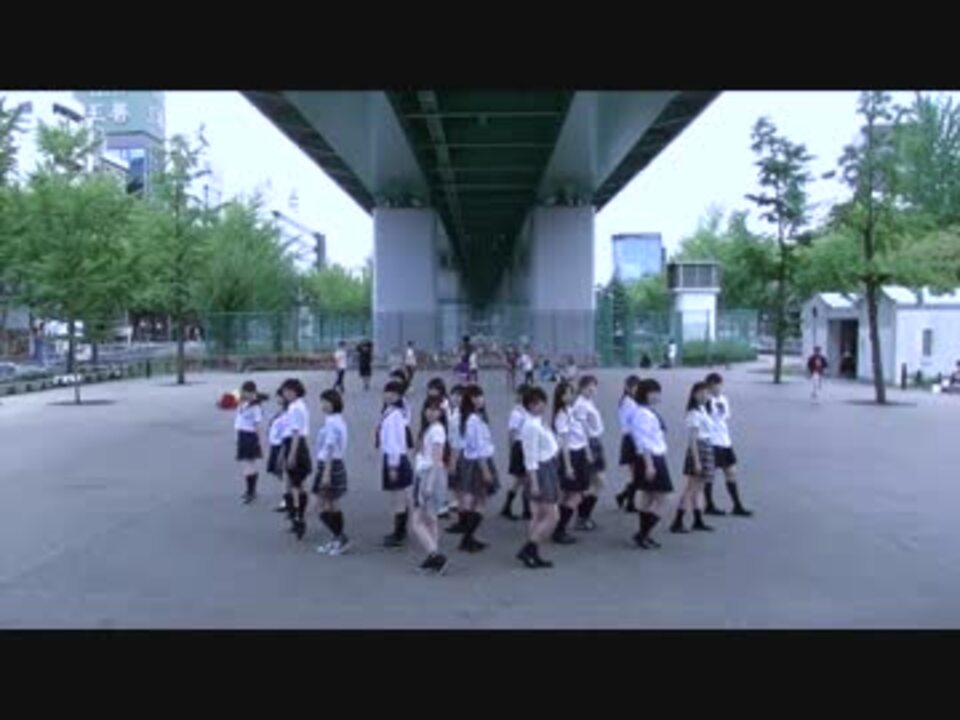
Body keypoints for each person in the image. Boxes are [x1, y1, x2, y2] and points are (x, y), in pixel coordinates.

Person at [516, 386, 561, 569]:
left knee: (540, 514)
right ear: (530, 405)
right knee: (552, 516)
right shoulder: (531, 426)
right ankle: (529, 548)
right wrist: (534, 482)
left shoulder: (538, 422)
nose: (542, 405)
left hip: (548, 466)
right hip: (541, 470)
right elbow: (530, 456)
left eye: (542, 401)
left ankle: (533, 552)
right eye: (537, 403)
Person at [629, 379, 673, 549]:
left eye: (657, 392)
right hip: (651, 458)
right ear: (644, 394)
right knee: (664, 498)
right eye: (652, 393)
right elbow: (643, 441)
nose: (656, 396)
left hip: (654, 456)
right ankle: (642, 534)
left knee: (648, 496)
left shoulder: (648, 412)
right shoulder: (642, 414)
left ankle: (644, 534)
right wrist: (649, 465)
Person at [411, 396, 451, 574]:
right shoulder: (431, 429)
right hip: (427, 474)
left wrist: (428, 485)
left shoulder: (437, 431)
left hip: (429, 476)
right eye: (428, 408)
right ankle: (433, 555)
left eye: (435, 409)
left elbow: (436, 459)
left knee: (417, 521)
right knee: (431, 517)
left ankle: (435, 554)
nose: (431, 412)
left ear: (441, 412)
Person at [705, 372, 753, 517]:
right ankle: (709, 505)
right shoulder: (706, 401)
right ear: (710, 386)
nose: (719, 388)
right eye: (716, 385)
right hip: (712, 441)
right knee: (710, 475)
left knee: (731, 471)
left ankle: (737, 505)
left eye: (720, 385)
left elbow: (725, 416)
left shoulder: (723, 399)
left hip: (725, 440)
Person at [458, 385, 499, 553]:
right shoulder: (474, 419)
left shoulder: (474, 417)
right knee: (480, 500)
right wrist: (485, 470)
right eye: (474, 397)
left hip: (475, 460)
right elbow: (478, 446)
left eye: (480, 396)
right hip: (479, 462)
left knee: (475, 498)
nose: (479, 400)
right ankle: (467, 538)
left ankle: (468, 537)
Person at [671, 381, 716, 534]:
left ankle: (698, 520)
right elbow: (692, 439)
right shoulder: (694, 413)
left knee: (700, 487)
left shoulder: (703, 409)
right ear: (694, 394)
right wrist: (696, 461)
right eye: (701, 393)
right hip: (699, 449)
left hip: (706, 446)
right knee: (691, 487)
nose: (704, 396)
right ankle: (677, 521)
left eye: (707, 393)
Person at [551, 380, 590, 545]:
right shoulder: (561, 415)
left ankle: (558, 526)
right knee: (574, 495)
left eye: (572, 392)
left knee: (571, 493)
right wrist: (567, 466)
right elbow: (564, 443)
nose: (572, 396)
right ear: (561, 397)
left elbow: (581, 434)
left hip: (578, 453)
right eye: (568, 393)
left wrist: (586, 452)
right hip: (571, 456)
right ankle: (559, 528)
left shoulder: (570, 411)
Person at [313, 389, 351, 555]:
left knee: (322, 505)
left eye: (326, 402)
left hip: (330, 465)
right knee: (331, 504)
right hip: (332, 463)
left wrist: (326, 473)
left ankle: (340, 537)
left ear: (335, 403)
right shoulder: (335, 420)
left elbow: (330, 448)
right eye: (322, 402)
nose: (323, 405)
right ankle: (337, 539)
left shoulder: (332, 422)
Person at [379, 380, 414, 548]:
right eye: (387, 392)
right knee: (400, 497)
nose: (388, 395)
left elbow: (394, 442)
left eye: (393, 393)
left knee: (398, 498)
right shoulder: (394, 412)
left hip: (395, 458)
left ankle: (399, 534)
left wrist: (392, 466)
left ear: (399, 396)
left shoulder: (395, 415)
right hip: (397, 457)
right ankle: (401, 532)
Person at [280, 378, 312, 540]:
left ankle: (298, 518)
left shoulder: (294, 408)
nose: (285, 394)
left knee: (294, 485)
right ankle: (297, 518)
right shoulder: (299, 405)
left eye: (287, 391)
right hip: (297, 444)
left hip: (295, 445)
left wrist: (291, 454)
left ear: (295, 391)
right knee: (294, 483)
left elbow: (295, 432)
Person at [572, 375, 604, 531]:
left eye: (594, 387)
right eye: (589, 387)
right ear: (582, 388)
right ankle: (581, 515)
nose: (592, 390)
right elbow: (582, 429)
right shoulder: (580, 405)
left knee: (595, 482)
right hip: (590, 443)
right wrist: (587, 450)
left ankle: (583, 516)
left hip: (595, 441)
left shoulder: (588, 402)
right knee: (595, 482)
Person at [500, 384, 533, 521]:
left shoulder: (526, 411)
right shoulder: (517, 412)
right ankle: (525, 509)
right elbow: (512, 433)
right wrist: (511, 449)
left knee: (522, 480)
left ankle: (511, 507)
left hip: (527, 445)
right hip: (520, 446)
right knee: (524, 479)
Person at [235, 380, 267, 505]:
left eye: (246, 392)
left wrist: (260, 441)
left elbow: (258, 425)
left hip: (250, 436)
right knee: (248, 464)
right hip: (242, 435)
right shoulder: (244, 403)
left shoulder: (256, 407)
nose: (243, 394)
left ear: (252, 392)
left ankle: (251, 491)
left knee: (249, 465)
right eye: (243, 392)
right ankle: (250, 490)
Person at [615, 375, 643, 513]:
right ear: (628, 387)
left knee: (638, 474)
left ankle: (624, 497)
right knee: (637, 473)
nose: (636, 390)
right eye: (634, 387)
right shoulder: (628, 403)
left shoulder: (632, 401)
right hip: (631, 439)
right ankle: (628, 501)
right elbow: (630, 424)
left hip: (634, 438)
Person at [444, 384, 467, 531]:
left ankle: (462, 520)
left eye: (460, 396)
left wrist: (453, 460)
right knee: (459, 488)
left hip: (459, 453)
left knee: (459, 488)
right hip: (457, 451)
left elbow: (457, 441)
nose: (457, 398)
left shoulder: (459, 416)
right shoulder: (453, 412)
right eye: (454, 395)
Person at [266, 387, 291, 513]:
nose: (277, 399)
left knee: (283, 472)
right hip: (275, 444)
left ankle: (287, 498)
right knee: (277, 471)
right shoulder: (281, 411)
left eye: (279, 396)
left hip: (281, 445)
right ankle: (290, 494)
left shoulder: (288, 413)